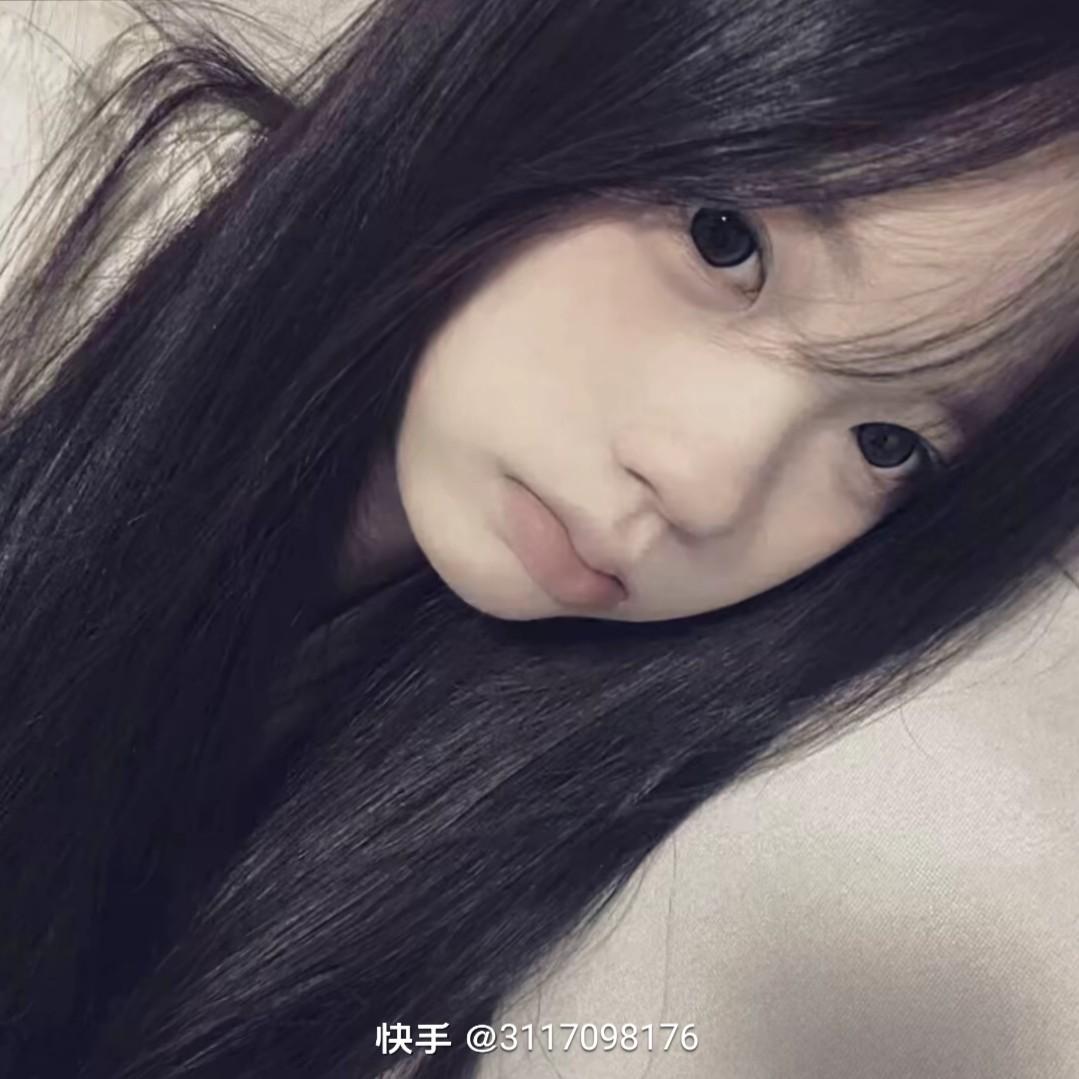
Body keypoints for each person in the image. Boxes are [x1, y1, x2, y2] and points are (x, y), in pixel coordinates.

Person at [0, 0, 1077, 1076]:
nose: (706, 485)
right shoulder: (43, 224)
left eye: (887, 442)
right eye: (724, 238)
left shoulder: (603, 855)